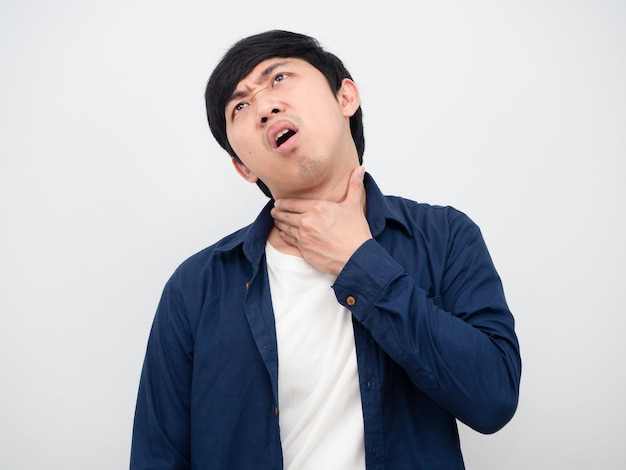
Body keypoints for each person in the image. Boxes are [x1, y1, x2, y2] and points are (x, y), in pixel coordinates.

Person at [130, 30, 521, 469]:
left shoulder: (444, 236)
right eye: (240, 106)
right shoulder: (196, 287)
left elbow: (493, 399)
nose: (263, 107)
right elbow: (156, 456)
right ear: (242, 167)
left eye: (278, 78)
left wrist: (361, 263)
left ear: (346, 97)